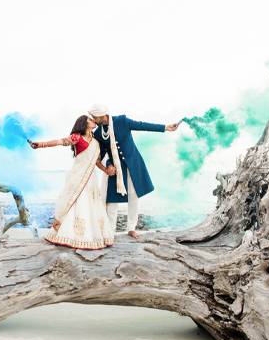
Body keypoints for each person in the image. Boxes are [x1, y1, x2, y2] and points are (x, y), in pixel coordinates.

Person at [88, 104, 179, 238]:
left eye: (95, 117)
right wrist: (108, 165)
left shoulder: (122, 121)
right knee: (112, 201)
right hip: (116, 169)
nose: (93, 119)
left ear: (102, 115)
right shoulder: (98, 133)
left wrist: (165, 127)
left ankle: (131, 228)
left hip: (133, 164)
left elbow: (142, 125)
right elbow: (102, 153)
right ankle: (110, 231)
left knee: (133, 196)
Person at [29, 115, 115, 250]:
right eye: (90, 120)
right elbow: (59, 141)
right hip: (78, 176)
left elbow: (97, 161)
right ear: (84, 123)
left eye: (93, 120)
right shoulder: (77, 137)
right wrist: (40, 145)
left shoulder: (96, 142)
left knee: (91, 204)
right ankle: (71, 236)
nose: (93, 122)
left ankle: (91, 236)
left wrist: (105, 170)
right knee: (77, 203)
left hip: (91, 178)